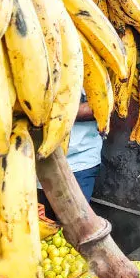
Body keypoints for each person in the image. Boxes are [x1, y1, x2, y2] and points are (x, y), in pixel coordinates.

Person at [36, 90, 103, 219]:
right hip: (29, 160)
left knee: (75, 225)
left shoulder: (97, 70)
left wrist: (54, 113)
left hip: (78, 161)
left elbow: (107, 105)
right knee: (36, 226)